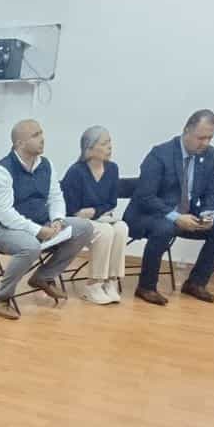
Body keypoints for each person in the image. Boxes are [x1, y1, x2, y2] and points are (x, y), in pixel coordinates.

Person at [0, 119, 97, 320]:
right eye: (35, 135)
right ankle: (0, 298)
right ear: (19, 143)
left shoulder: (46, 165)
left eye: (41, 133)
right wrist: (38, 231)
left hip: (40, 223)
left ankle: (44, 276)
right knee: (31, 246)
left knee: (84, 228)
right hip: (4, 229)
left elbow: (55, 196)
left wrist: (57, 219)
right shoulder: (0, 172)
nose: (42, 139)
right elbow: (5, 215)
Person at [124, 110, 214, 305]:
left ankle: (196, 283)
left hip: (186, 214)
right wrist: (175, 217)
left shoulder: (210, 154)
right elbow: (145, 197)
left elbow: (212, 192)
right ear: (186, 131)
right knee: (165, 227)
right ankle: (146, 287)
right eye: (201, 138)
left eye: (210, 137)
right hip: (147, 215)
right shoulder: (160, 154)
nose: (206, 143)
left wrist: (208, 214)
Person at [59, 126, 130, 305]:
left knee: (121, 228)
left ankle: (111, 281)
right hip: (77, 222)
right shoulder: (76, 172)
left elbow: (111, 202)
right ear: (89, 148)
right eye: (104, 143)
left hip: (100, 217)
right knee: (106, 231)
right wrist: (92, 212)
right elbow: (71, 209)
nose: (110, 147)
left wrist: (94, 211)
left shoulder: (112, 169)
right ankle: (93, 285)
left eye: (110, 142)